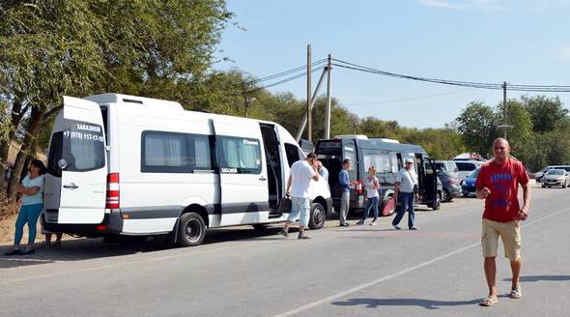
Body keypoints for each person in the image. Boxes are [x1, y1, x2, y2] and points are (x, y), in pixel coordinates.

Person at [476, 138, 530, 307]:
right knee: (489, 255)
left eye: (502, 148)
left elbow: (526, 185)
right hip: (490, 219)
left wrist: (526, 206)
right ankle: (492, 292)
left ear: (508, 149)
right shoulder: (485, 168)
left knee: (514, 257)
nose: (499, 151)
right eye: (496, 148)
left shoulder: (516, 166)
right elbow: (477, 192)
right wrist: (482, 193)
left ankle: (515, 283)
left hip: (511, 219)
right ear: (493, 150)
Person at [4, 159, 47, 255]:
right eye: (32, 166)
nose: (32, 168)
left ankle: (30, 246)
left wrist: (24, 190)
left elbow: (32, 192)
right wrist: (26, 190)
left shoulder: (41, 178)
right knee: (18, 224)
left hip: (35, 204)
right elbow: (19, 188)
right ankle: (16, 247)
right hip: (25, 204)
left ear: (39, 168)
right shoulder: (27, 177)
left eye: (35, 166)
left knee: (31, 225)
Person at [279, 152, 320, 239]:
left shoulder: (295, 164)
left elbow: (290, 177)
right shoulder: (308, 167)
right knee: (305, 214)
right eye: (315, 160)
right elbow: (317, 179)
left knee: (294, 212)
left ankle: (285, 228)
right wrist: (315, 168)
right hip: (304, 195)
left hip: (294, 193)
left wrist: (287, 190)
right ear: (312, 159)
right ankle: (301, 233)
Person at [392, 158, 419, 231]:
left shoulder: (413, 171)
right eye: (408, 163)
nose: (409, 164)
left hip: (411, 193)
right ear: (405, 163)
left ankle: (411, 225)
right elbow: (397, 183)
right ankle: (395, 223)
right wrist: (395, 193)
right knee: (403, 209)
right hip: (404, 193)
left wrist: (416, 193)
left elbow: (415, 183)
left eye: (411, 163)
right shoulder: (401, 171)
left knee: (411, 209)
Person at [338, 159, 353, 227]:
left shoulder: (345, 172)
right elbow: (342, 182)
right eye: (349, 164)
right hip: (344, 191)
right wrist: (349, 184)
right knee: (344, 207)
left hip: (347, 190)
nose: (350, 165)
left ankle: (344, 220)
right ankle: (342, 221)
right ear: (345, 164)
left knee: (346, 206)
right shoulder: (343, 172)